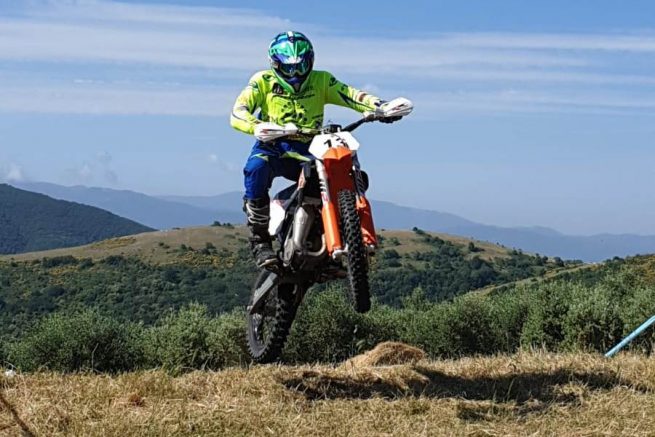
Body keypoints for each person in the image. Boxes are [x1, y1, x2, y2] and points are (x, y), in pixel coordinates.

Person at [230, 31, 403, 268]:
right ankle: (260, 241)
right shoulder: (262, 81)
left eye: (301, 67)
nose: (295, 74)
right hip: (273, 143)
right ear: (275, 64)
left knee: (341, 171)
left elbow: (351, 95)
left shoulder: (321, 80)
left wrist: (381, 107)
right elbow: (238, 111)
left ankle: (338, 236)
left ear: (310, 62)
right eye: (288, 68)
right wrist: (256, 126)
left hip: (311, 146)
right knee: (256, 167)